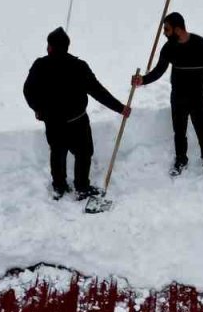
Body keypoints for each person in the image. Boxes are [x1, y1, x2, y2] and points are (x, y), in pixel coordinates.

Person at [24, 27, 132, 200]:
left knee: (58, 153)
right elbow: (98, 91)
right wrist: (120, 108)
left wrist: (39, 109)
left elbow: (28, 91)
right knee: (83, 153)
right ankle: (81, 186)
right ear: (67, 46)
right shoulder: (79, 67)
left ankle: (59, 186)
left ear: (50, 47)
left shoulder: (40, 65)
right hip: (77, 122)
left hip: (54, 122)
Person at [132, 12, 203, 176]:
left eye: (167, 29)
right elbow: (159, 70)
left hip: (198, 97)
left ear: (178, 30)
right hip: (178, 97)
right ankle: (181, 159)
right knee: (179, 131)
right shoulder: (169, 48)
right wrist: (143, 80)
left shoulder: (201, 45)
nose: (164, 33)